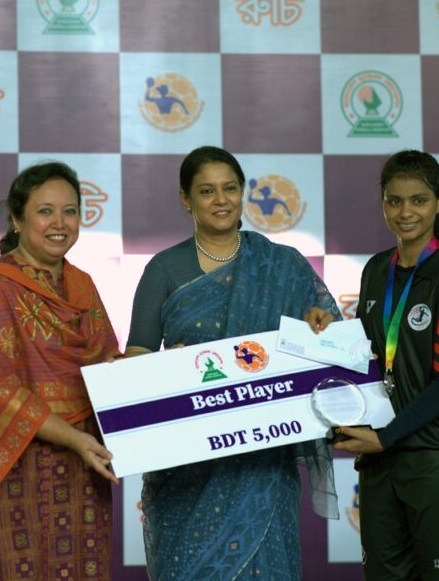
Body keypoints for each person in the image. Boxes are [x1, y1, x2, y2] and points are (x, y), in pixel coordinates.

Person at [125, 145, 340, 579]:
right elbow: (136, 359)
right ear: (186, 199)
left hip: (263, 462)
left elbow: (326, 342)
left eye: (229, 188)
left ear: (243, 192)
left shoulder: (282, 264)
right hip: (185, 468)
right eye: (206, 191)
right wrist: (168, 368)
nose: (220, 200)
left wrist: (320, 326)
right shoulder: (163, 269)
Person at [0, 161, 120, 580]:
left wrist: (166, 370)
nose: (60, 223)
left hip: (83, 467)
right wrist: (74, 438)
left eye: (70, 211)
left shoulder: (82, 285)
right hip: (13, 465)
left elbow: (107, 368)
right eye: (45, 211)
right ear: (17, 220)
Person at [337, 150, 439, 579]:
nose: (406, 212)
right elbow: (363, 359)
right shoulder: (375, 270)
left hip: (438, 457)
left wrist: (385, 436)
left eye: (418, 200)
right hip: (381, 462)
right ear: (383, 203)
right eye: (395, 201)